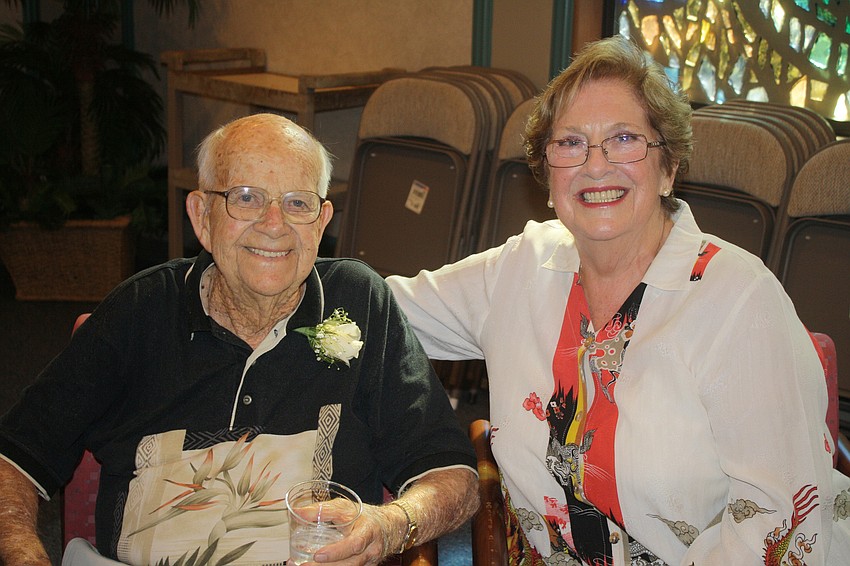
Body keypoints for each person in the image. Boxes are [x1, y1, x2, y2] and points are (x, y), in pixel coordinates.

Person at [387, 36, 850, 565]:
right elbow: (382, 310)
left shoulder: (740, 301)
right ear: (547, 173)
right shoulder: (521, 269)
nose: (596, 165)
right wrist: (283, 248)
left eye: (625, 139)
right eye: (571, 143)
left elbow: (781, 522)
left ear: (669, 167)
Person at [0, 113, 479, 565]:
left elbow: (453, 476)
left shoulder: (360, 302)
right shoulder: (140, 310)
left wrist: (391, 524)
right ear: (202, 216)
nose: (274, 224)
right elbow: (14, 460)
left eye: (297, 203)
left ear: (322, 221)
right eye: (246, 197)